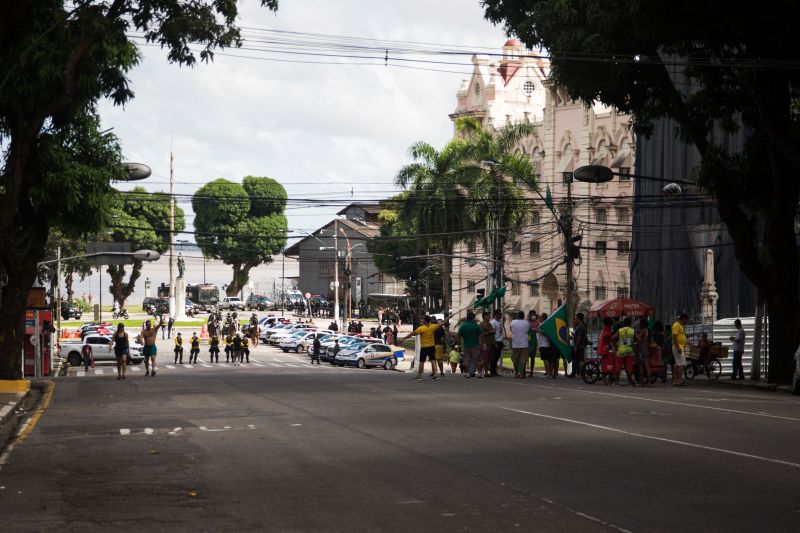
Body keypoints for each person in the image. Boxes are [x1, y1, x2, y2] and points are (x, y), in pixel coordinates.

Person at [400, 315, 449, 381]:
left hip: (424, 348)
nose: (422, 320)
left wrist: (404, 338)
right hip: (432, 347)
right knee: (433, 361)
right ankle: (435, 374)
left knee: (422, 362)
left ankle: (419, 376)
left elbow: (412, 334)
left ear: (425, 321)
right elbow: (443, 323)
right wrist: (447, 318)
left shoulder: (421, 328)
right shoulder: (433, 327)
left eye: (423, 319)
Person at [611, 317, 636, 386]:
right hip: (629, 350)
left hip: (620, 350)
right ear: (630, 324)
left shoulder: (620, 330)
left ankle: (616, 382)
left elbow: (612, 338)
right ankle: (630, 382)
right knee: (629, 367)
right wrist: (634, 344)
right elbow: (639, 339)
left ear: (624, 323)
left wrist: (615, 346)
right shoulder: (632, 330)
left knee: (618, 367)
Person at [457, 311, 482, 378]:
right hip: (475, 345)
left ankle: (467, 373)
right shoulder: (476, 326)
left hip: (466, 345)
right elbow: (480, 336)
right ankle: (479, 373)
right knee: (477, 359)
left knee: (467, 359)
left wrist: (459, 344)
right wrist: (481, 344)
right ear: (473, 318)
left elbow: (459, 336)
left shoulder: (463, 326)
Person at [510, 311, 530, 378]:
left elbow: (511, 329)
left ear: (517, 316)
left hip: (515, 343)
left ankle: (516, 373)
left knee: (515, 359)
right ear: (523, 316)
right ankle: (521, 374)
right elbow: (528, 330)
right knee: (523, 360)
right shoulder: (526, 322)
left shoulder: (513, 322)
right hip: (524, 343)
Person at [671, 313, 689, 386]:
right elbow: (674, 337)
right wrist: (678, 347)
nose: (685, 322)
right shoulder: (676, 325)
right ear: (682, 318)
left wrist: (685, 337)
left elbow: (680, 335)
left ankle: (676, 380)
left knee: (678, 364)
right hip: (678, 347)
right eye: (685, 320)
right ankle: (679, 380)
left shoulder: (681, 326)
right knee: (681, 364)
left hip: (680, 346)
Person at [536, 313, 555, 378]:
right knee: (545, 359)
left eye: (541, 317)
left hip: (545, 344)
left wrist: (539, 330)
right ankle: (548, 372)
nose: (539, 318)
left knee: (546, 359)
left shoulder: (545, 325)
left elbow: (547, 334)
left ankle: (549, 373)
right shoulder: (542, 324)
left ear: (543, 318)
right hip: (542, 344)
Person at [597, 316, 616, 384]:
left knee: (604, 365)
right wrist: (611, 343)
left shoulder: (603, 329)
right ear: (608, 322)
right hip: (607, 349)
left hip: (602, 349)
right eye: (610, 321)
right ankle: (609, 380)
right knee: (609, 365)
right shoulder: (607, 329)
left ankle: (604, 379)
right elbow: (606, 337)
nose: (612, 322)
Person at [570, 313, 588, 378]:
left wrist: (576, 346)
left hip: (580, 346)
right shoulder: (581, 326)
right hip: (580, 345)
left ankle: (581, 373)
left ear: (578, 318)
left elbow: (579, 337)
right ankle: (580, 373)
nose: (575, 319)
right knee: (579, 360)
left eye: (576, 318)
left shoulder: (580, 326)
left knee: (580, 360)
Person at [635, 318, 652, 385]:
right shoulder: (648, 330)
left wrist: (636, 334)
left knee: (641, 366)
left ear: (642, 324)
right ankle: (649, 381)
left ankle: (641, 381)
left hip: (641, 349)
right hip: (647, 349)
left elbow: (639, 338)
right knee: (647, 366)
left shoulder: (643, 330)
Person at [490, 310, 505, 377]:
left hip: (500, 341)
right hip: (496, 341)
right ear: (496, 314)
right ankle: (492, 371)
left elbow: (500, 331)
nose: (501, 315)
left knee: (497, 357)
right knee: (494, 357)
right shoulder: (493, 322)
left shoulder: (500, 322)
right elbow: (492, 333)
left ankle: (495, 371)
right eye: (499, 314)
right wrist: (494, 342)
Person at [527, 311, 539, 377]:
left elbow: (539, 329)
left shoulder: (537, 322)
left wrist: (535, 329)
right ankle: (523, 371)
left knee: (532, 357)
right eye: (532, 315)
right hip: (527, 341)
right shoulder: (526, 321)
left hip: (533, 341)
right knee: (526, 357)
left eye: (534, 315)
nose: (533, 316)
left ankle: (531, 371)